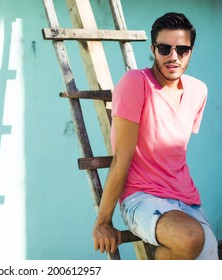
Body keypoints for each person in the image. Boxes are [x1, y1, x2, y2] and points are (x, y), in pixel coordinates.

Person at [92, 12, 219, 260]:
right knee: (191, 238)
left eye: (182, 49)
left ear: (191, 51)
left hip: (187, 202)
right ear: (153, 49)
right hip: (141, 197)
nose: (173, 57)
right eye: (164, 48)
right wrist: (103, 222)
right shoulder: (136, 82)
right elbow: (122, 157)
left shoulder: (198, 90)